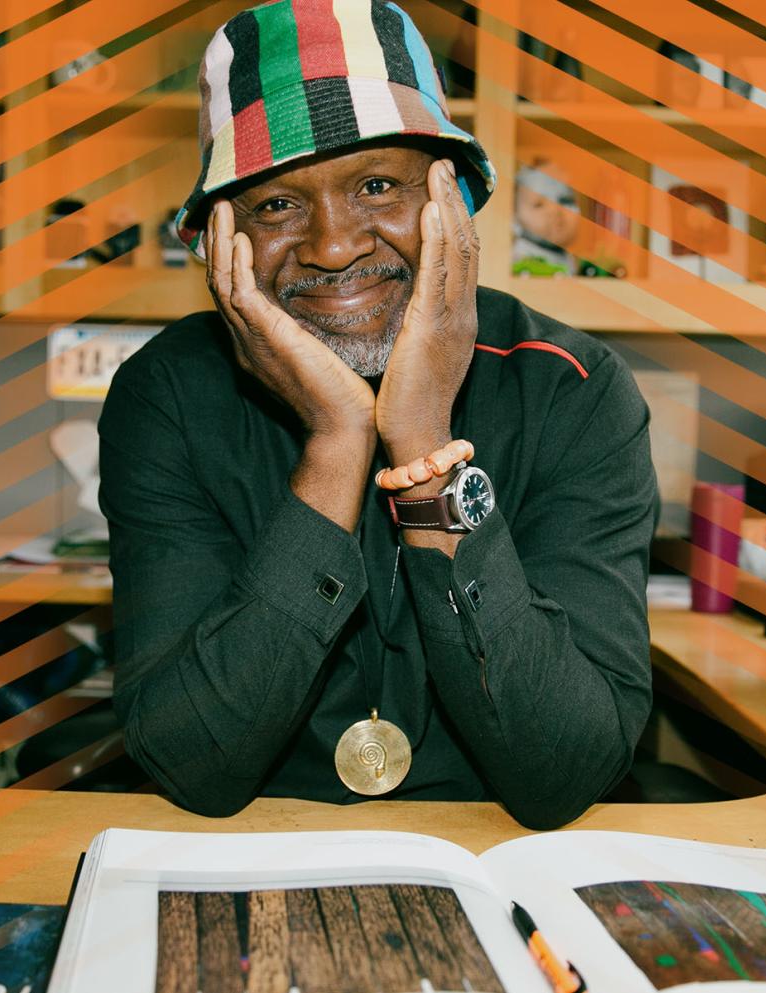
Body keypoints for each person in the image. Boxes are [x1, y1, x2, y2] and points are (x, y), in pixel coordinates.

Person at [98, 0, 658, 830]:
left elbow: (563, 770)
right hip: (255, 851)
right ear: (224, 240)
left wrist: (424, 439)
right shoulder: (169, 394)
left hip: (488, 855)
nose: (333, 245)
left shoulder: (574, 388)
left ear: (451, 201)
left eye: (375, 185)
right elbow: (193, 767)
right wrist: (337, 441)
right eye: (277, 206)